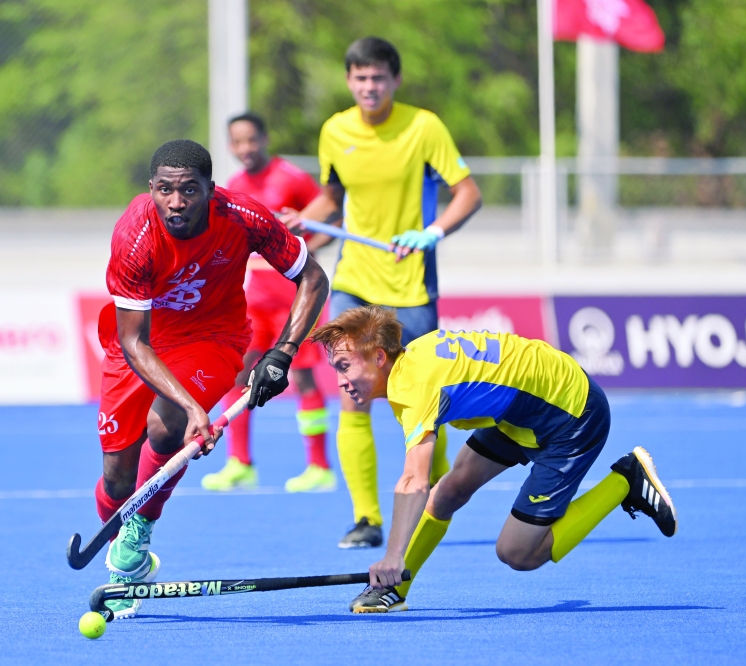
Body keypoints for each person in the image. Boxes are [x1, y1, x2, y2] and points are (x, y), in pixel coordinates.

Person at [308, 306, 678, 613]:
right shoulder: (412, 361)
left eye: (344, 366)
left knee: (517, 552)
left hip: (571, 414)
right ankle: (395, 589)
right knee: (449, 491)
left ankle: (625, 480)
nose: (340, 381)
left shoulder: (412, 387)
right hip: (524, 408)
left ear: (379, 357)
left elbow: (414, 481)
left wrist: (392, 555)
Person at [95, 139, 329, 619]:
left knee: (165, 428)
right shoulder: (134, 237)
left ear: (210, 189)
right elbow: (135, 342)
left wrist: (283, 352)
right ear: (151, 188)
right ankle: (127, 547)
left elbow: (313, 278)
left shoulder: (243, 216)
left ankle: (135, 536)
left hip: (213, 338)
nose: (176, 202)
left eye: (188, 190)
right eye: (164, 190)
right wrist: (192, 407)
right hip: (143, 343)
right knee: (117, 478)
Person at [280, 37, 483, 548]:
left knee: (425, 404)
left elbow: (469, 193)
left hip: (412, 290)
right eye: (361, 78)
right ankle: (367, 519)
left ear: (395, 80)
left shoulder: (424, 126)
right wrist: (304, 223)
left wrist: (433, 232)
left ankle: (435, 502)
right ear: (349, 81)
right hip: (353, 284)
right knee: (352, 397)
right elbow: (332, 199)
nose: (369, 86)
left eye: (378, 77)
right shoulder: (335, 130)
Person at [201, 112, 337, 493]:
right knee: (238, 374)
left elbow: (331, 219)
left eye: (251, 139)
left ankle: (319, 467)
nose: (245, 148)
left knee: (302, 377)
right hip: (253, 301)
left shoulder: (292, 178)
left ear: (265, 139)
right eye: (237, 141)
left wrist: (304, 250)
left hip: (295, 300)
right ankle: (239, 462)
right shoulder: (233, 185)